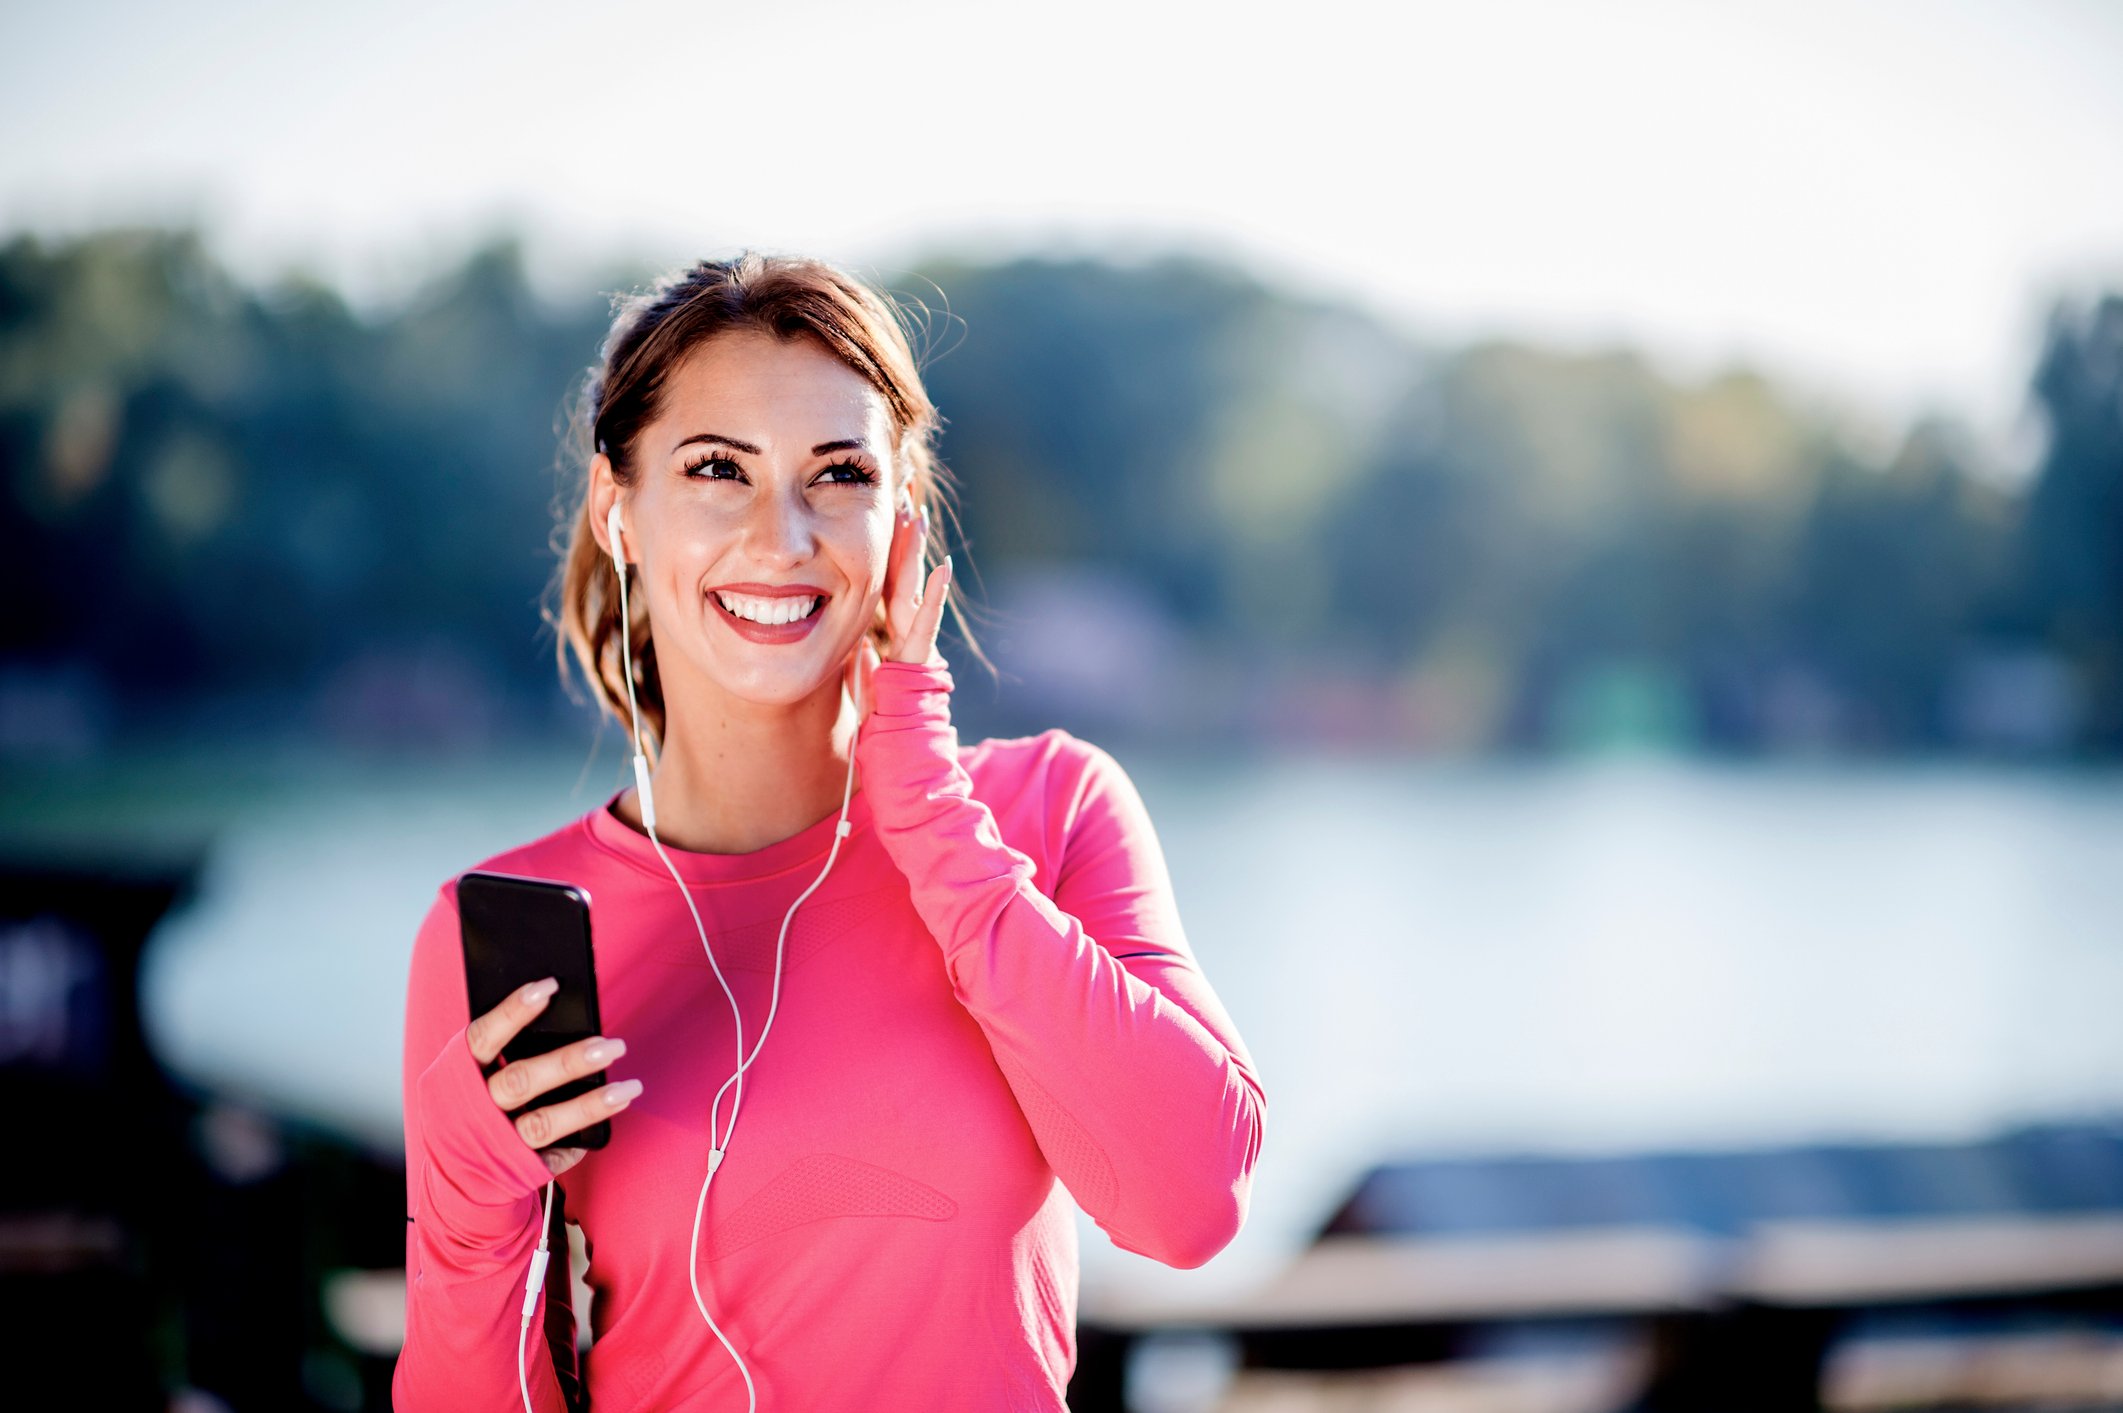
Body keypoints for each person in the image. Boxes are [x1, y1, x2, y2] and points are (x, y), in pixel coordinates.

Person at [392, 252, 1266, 1411]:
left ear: (901, 518)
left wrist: (927, 813)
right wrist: (465, 1210)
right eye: (716, 469)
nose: (782, 536)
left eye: (837, 474)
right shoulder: (500, 936)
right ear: (618, 511)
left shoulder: (1046, 814)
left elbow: (1189, 1203)